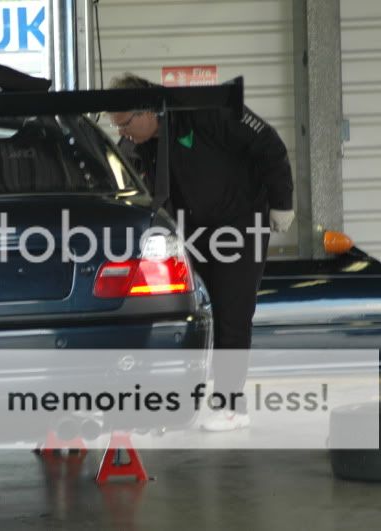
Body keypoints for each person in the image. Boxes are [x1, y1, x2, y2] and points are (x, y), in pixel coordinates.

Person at [109, 73, 295, 431]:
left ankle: (231, 405)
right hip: (191, 231)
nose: (123, 133)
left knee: (232, 311)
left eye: (126, 124)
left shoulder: (206, 112)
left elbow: (269, 145)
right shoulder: (136, 146)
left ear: (148, 111)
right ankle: (178, 399)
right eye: (116, 126)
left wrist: (281, 202)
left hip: (239, 223)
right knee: (192, 313)